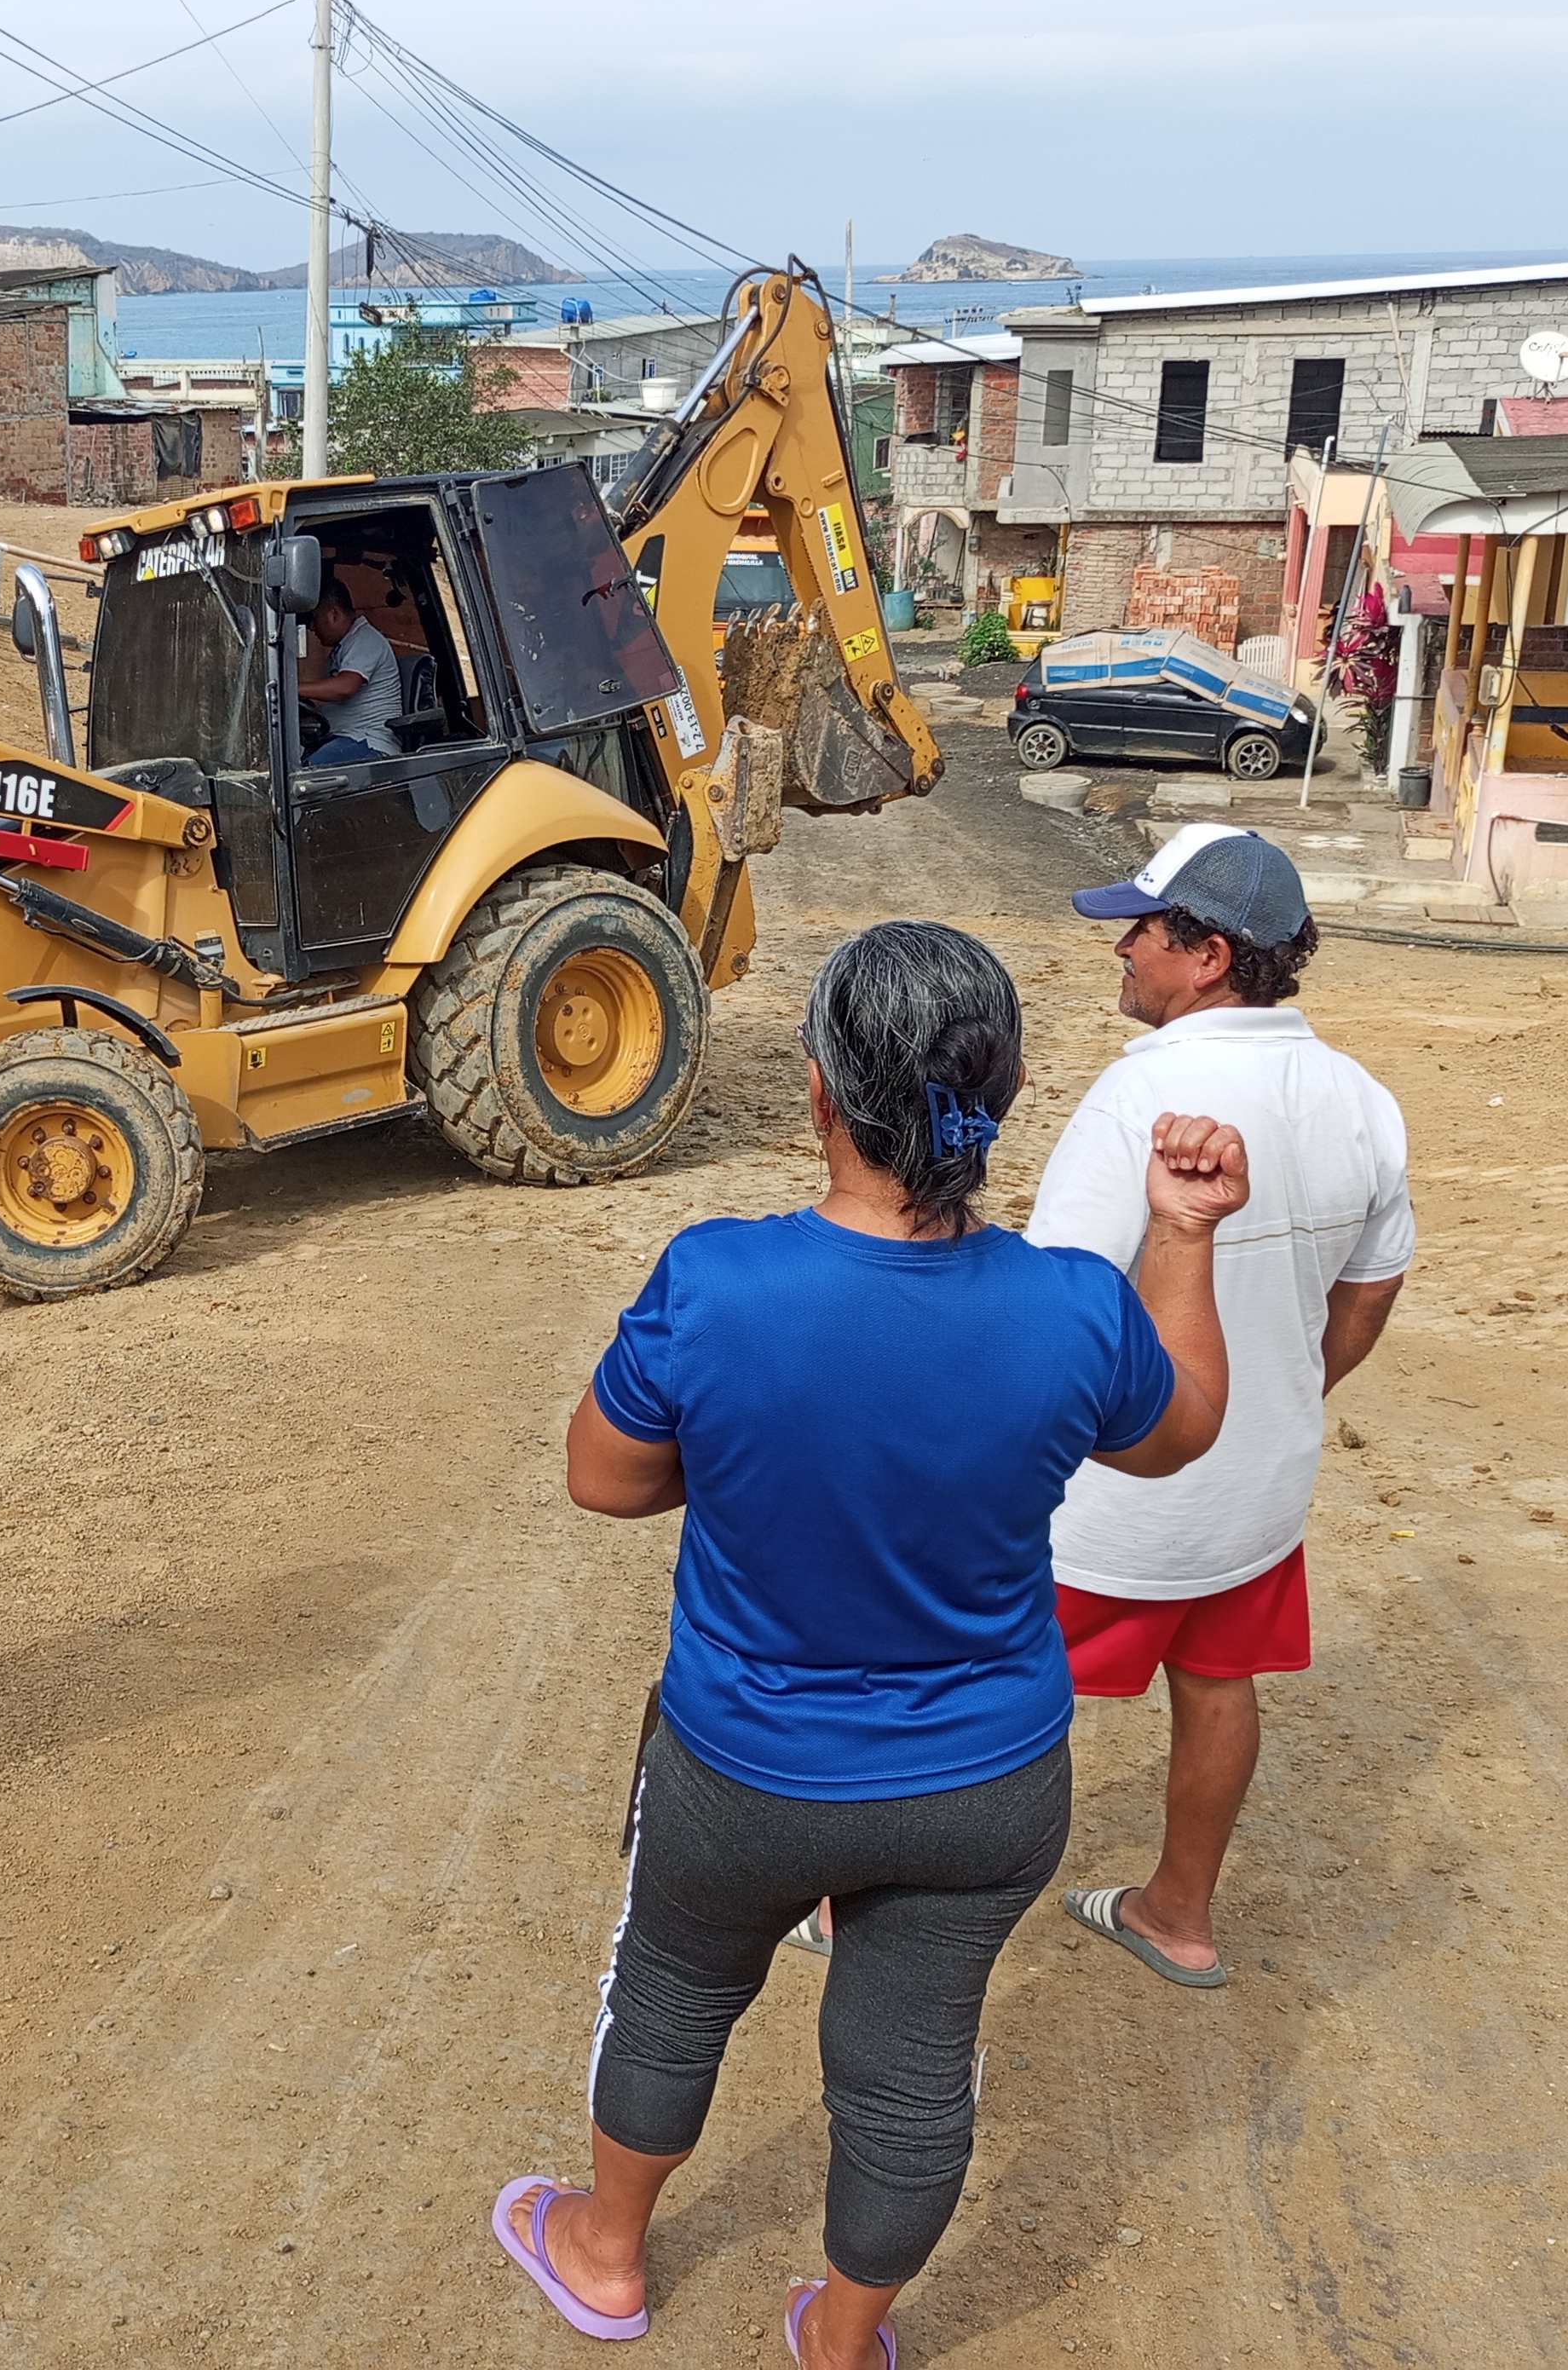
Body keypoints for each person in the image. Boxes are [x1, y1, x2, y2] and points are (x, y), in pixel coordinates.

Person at [488, 922, 1249, 2367]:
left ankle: (605, 2255)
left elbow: (603, 1478)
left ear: (821, 1090)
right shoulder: (1073, 1309)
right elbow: (1180, 1431)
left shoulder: (716, 1282)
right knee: (910, 2074)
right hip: (984, 1787)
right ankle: (840, 2343)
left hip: (742, 1771)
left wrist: (743, 1457)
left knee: (670, 1996)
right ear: (1000, 1094)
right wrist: (1183, 1232)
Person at [1031, 822, 1414, 1989]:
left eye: (1139, 931)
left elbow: (1057, 1307)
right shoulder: (1360, 1098)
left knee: (979, 1684)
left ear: (1207, 956)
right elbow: (1373, 1284)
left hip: (1111, 1500)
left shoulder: (1139, 1094)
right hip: (1254, 1492)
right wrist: (1293, 1392)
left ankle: (853, 1906)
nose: (1120, 950)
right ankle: (1178, 1916)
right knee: (1215, 1680)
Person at [297, 575, 402, 766]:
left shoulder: (365, 638)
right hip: (344, 739)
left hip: (368, 743)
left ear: (334, 614)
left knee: (310, 773)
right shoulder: (341, 650)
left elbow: (345, 687)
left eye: (314, 619)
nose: (312, 627)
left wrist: (293, 688)